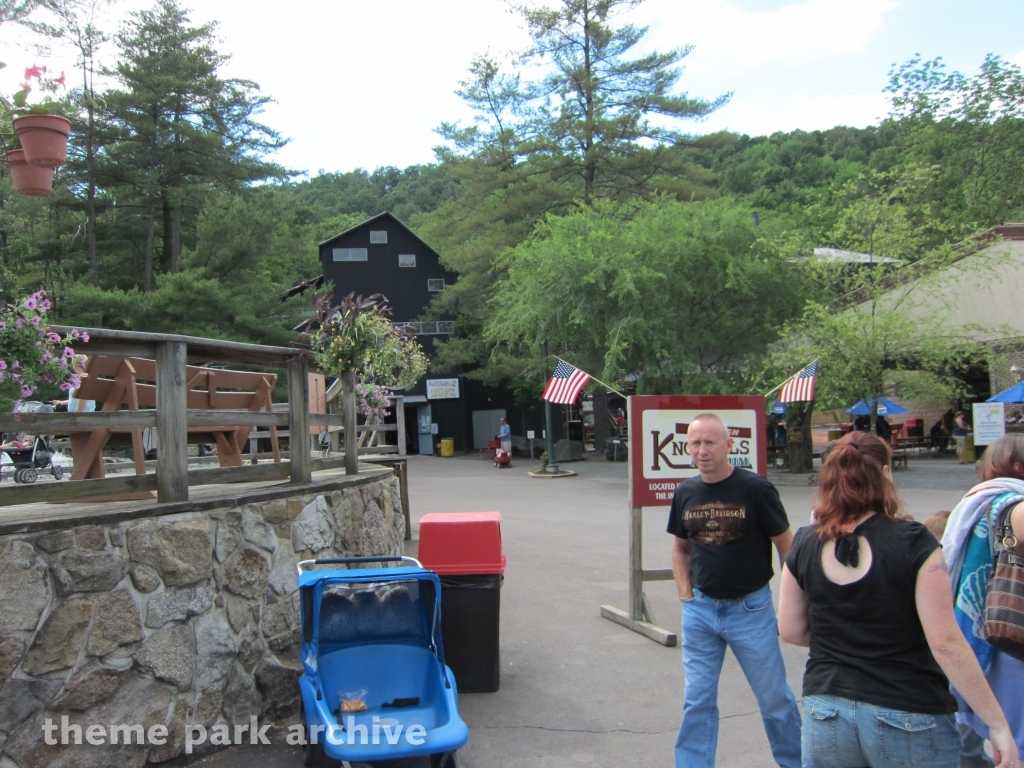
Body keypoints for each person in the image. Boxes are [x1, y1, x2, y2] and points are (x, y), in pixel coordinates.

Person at [778, 431, 1018, 768]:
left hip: (827, 708)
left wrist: (847, 637)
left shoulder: (805, 542)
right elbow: (946, 643)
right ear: (885, 474)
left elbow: (789, 629)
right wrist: (996, 723)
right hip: (907, 711)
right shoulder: (913, 541)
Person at [667, 413, 801, 768]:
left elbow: (787, 546)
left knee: (774, 699)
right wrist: (685, 595)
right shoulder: (685, 492)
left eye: (711, 442)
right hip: (700, 611)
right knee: (697, 700)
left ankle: (797, 762)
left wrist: (792, 600)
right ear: (687, 447)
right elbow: (680, 548)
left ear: (730, 445)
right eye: (695, 443)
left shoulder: (756, 490)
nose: (703, 450)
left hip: (750, 611)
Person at [942, 433, 1024, 759]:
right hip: (1013, 633)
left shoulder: (975, 501)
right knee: (1016, 736)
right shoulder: (1014, 506)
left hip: (983, 630)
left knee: (990, 729)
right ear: (1018, 466)